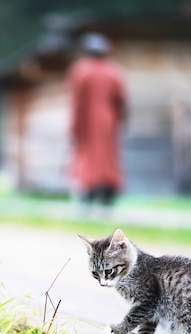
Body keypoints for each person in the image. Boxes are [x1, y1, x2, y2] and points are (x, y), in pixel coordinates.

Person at [68, 32, 127, 206]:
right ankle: (109, 191)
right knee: (108, 157)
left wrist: (74, 126)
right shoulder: (114, 72)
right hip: (109, 121)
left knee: (88, 156)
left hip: (87, 121)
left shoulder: (81, 70)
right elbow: (121, 101)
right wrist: (120, 119)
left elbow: (77, 102)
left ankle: (89, 191)